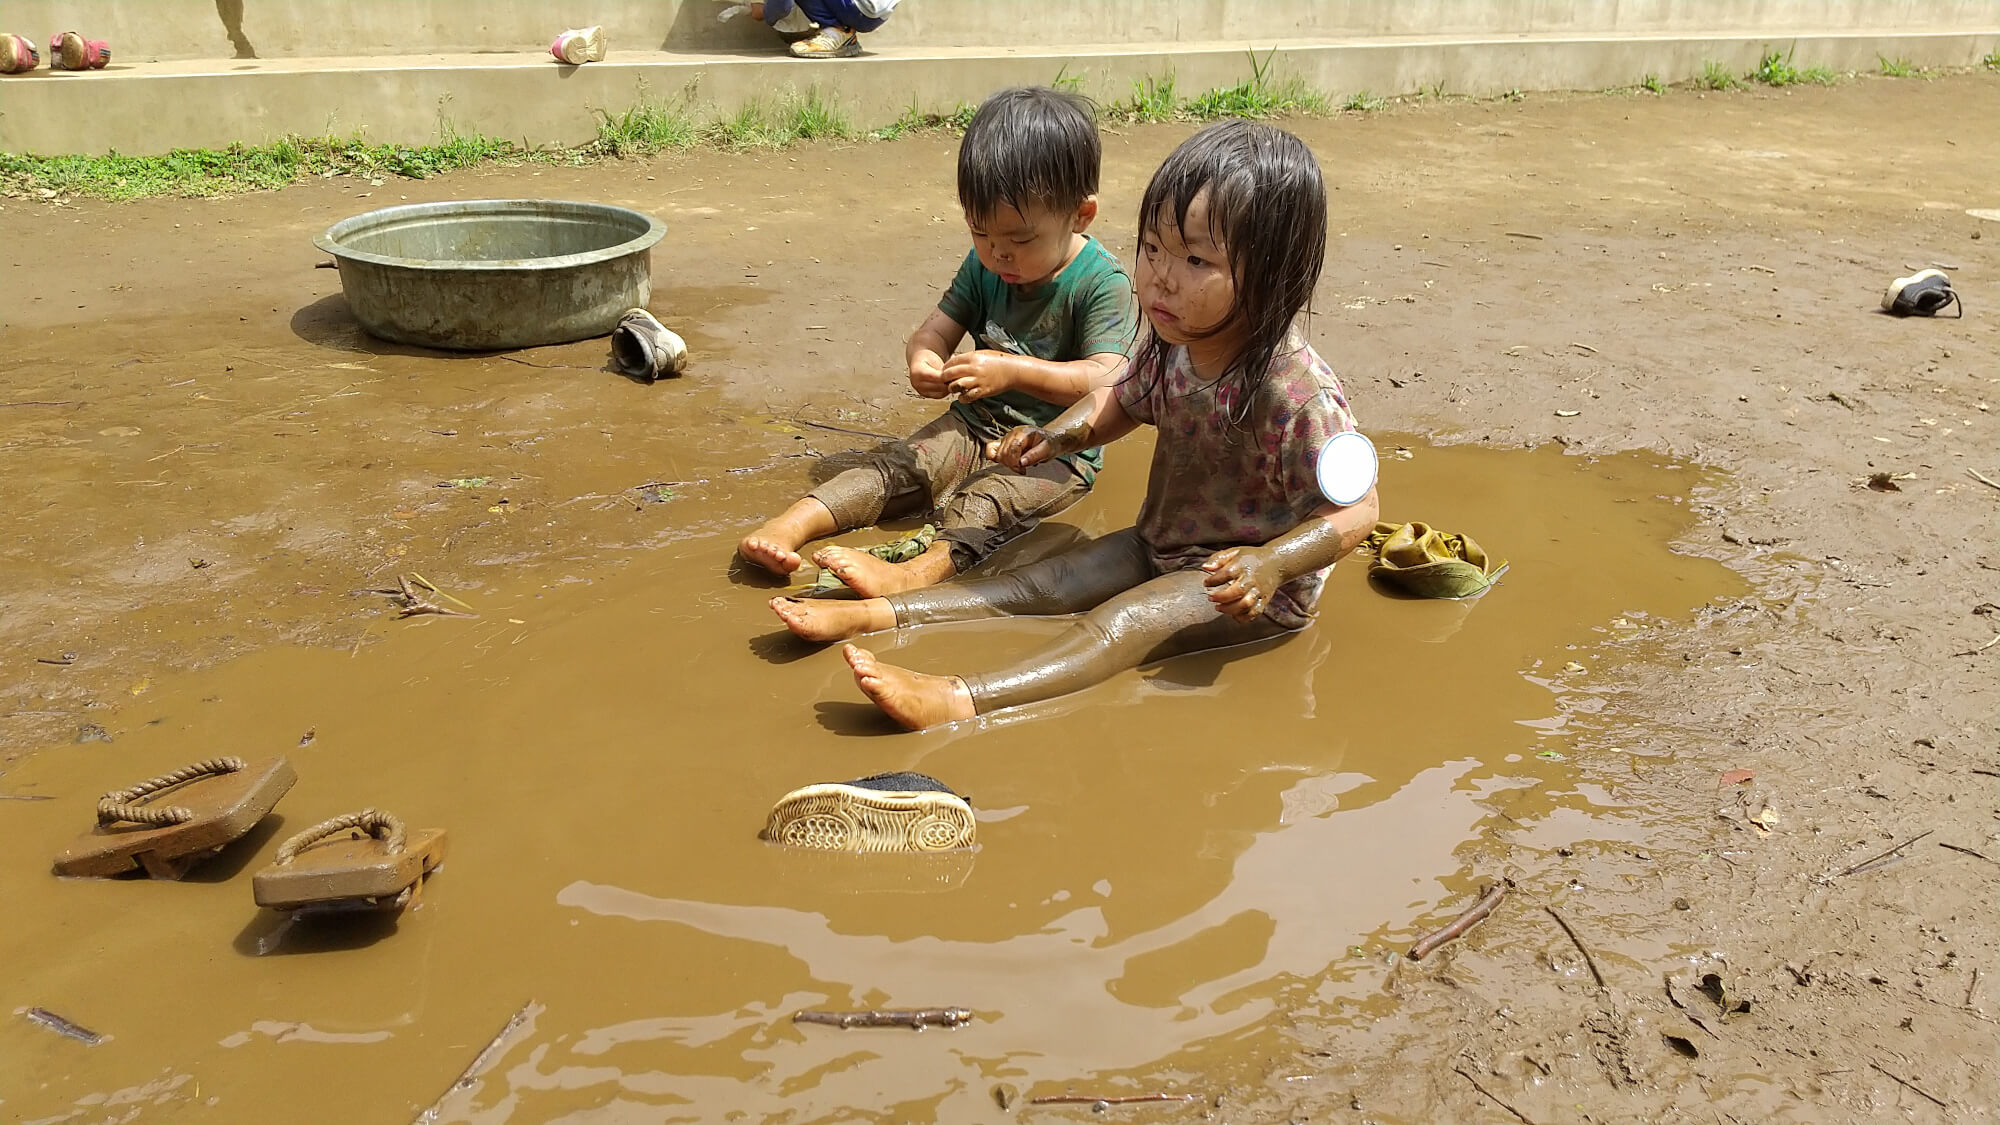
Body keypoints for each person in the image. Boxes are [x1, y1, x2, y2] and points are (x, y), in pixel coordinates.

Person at [768, 119, 1382, 730]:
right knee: (1045, 580)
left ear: (1273, 274)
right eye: (1152, 248)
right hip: (1158, 543)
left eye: (1195, 259)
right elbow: (1122, 399)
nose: (1160, 276)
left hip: (1245, 588)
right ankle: (884, 616)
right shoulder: (1175, 340)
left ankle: (960, 698)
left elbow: (1359, 509)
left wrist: (1271, 564)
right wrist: (1061, 434)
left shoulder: (1295, 391)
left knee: (1119, 624)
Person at [738, 86, 1138, 597]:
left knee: (989, 505)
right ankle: (790, 526)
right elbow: (936, 328)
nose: (998, 255)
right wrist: (924, 358)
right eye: (980, 232)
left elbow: (1108, 379)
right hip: (972, 424)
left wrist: (1012, 370)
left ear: (1081, 216)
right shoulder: (985, 264)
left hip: (1055, 450)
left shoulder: (1103, 284)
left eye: (1019, 240)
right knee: (899, 465)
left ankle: (914, 573)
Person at [720, 0, 900, 59]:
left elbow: (782, 6)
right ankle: (840, 30)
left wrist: (764, 11)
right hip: (880, 10)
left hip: (861, 10)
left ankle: (838, 30)